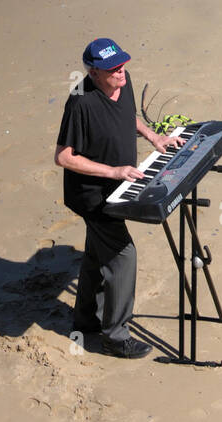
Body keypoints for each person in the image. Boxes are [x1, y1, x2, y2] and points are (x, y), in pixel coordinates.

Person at [55, 38, 183, 358]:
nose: (121, 73)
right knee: (123, 256)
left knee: (98, 256)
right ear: (94, 72)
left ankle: (85, 319)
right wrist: (114, 172)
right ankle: (115, 335)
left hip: (119, 187)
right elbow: (64, 157)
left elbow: (128, 116)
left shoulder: (123, 82)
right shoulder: (80, 102)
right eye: (113, 69)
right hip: (93, 196)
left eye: (123, 65)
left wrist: (155, 137)